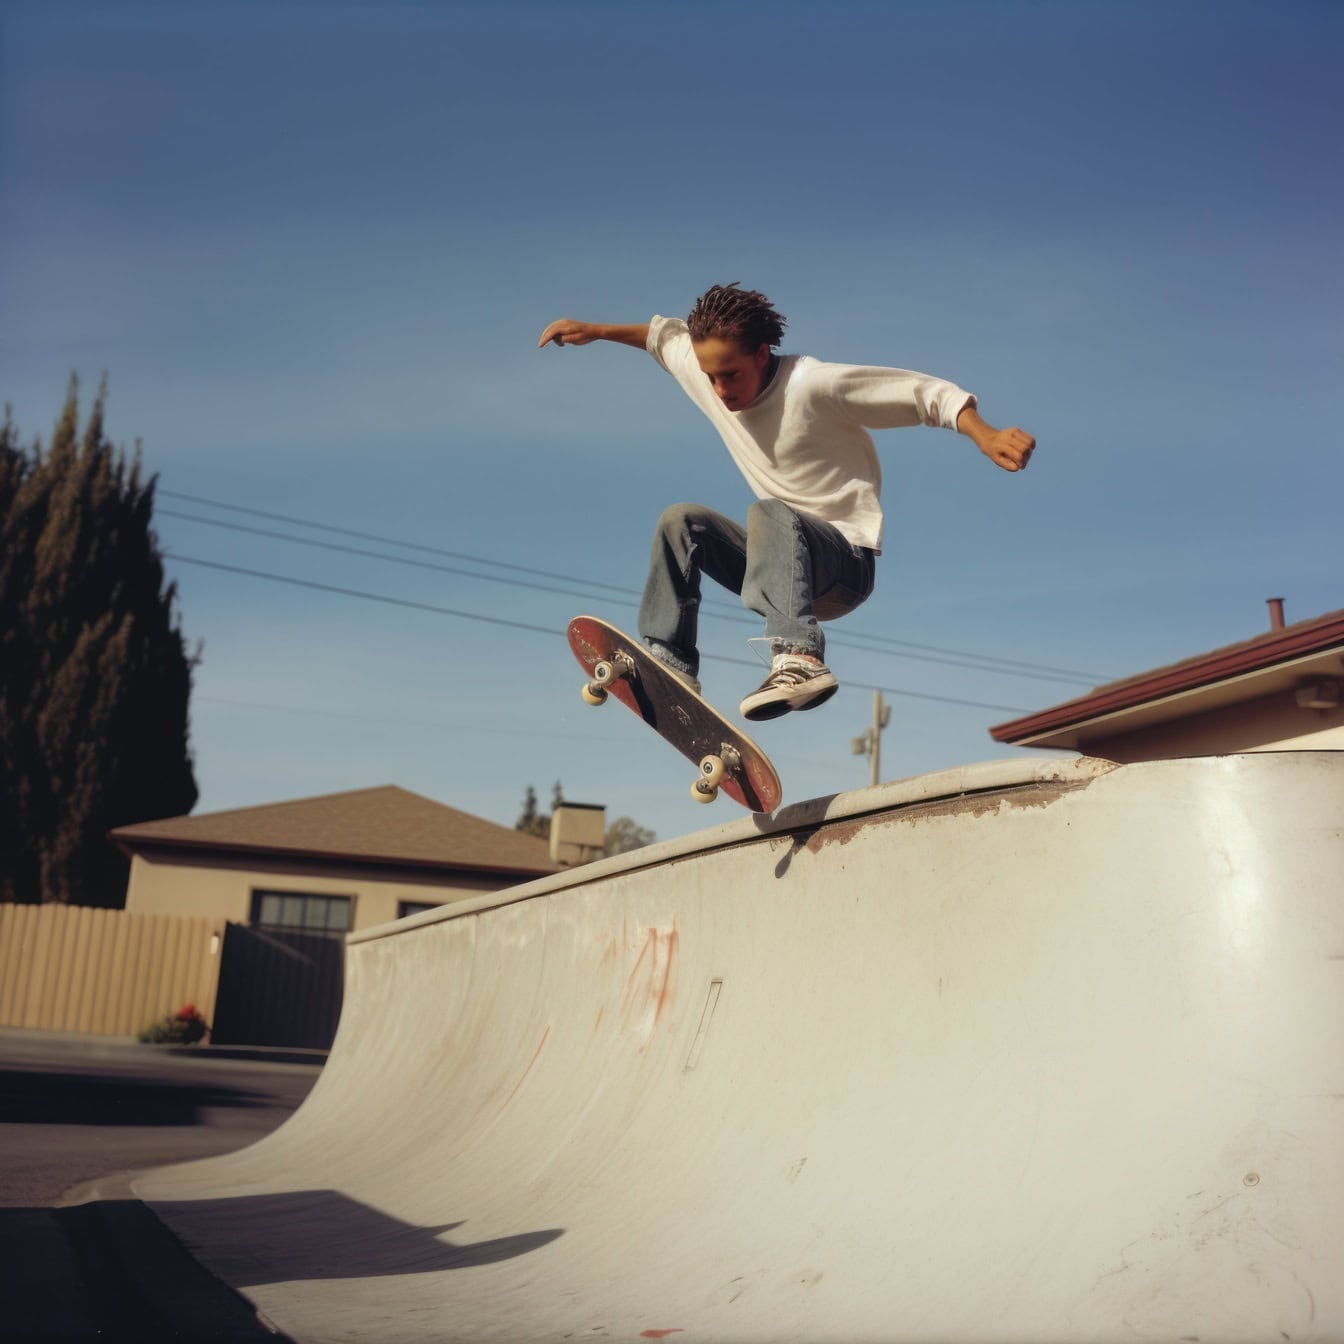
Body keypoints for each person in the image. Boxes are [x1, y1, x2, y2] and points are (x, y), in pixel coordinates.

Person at [538, 283, 1035, 722]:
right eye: (710, 375)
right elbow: (658, 338)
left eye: (730, 374)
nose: (719, 389)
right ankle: (672, 663)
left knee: (768, 513)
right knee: (680, 522)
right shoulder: (706, 366)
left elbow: (925, 395)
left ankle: (800, 658)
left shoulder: (813, 385)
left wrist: (984, 434)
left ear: (760, 354)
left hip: (843, 566)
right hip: (779, 569)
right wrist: (596, 330)